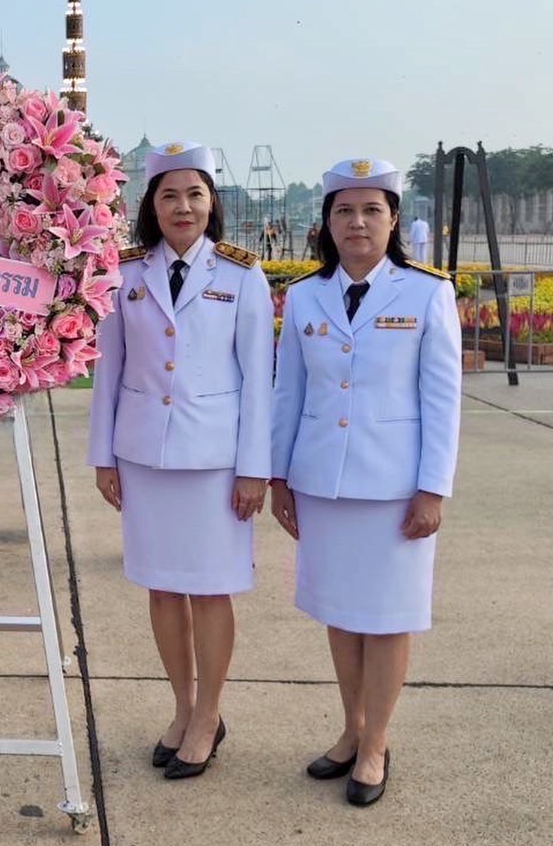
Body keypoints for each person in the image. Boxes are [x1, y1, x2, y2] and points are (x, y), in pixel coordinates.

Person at [270, 158, 461, 807]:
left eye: (371, 210)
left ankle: (376, 741)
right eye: (344, 210)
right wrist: (279, 476)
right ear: (326, 222)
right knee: (341, 615)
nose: (357, 222)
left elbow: (443, 401)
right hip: (322, 480)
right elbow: (288, 393)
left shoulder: (426, 292)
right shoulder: (303, 296)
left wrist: (433, 488)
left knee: (386, 620)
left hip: (395, 489)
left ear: (393, 219)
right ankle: (351, 730)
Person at [88, 141, 275, 779]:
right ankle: (184, 705)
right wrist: (103, 457)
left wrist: (255, 468)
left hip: (217, 463)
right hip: (143, 454)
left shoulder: (241, 276)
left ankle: (210, 714)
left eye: (195, 193)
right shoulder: (126, 274)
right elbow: (107, 371)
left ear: (212, 202)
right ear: (151, 205)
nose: (183, 206)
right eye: (169, 194)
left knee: (212, 590)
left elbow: (259, 380)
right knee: (163, 588)